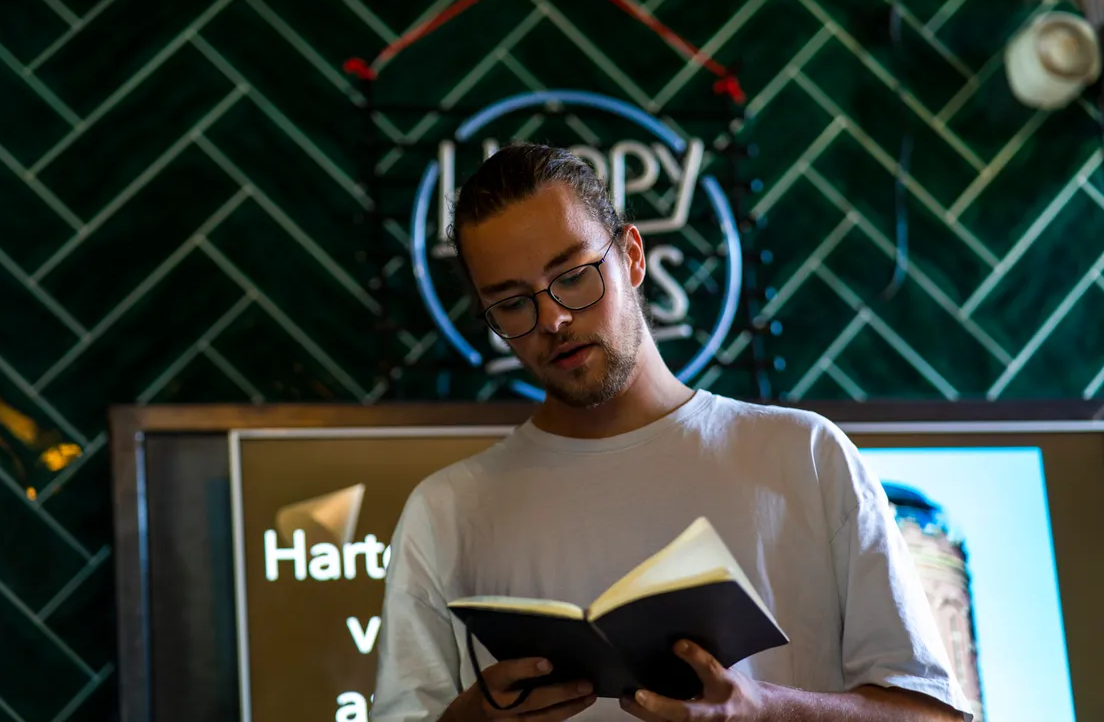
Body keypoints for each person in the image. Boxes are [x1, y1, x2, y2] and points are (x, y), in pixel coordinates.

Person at [370, 143, 972, 722]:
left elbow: (933, 714)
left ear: (632, 256)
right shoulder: (445, 513)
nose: (552, 318)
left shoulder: (805, 454)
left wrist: (764, 713)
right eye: (511, 304)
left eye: (573, 276)